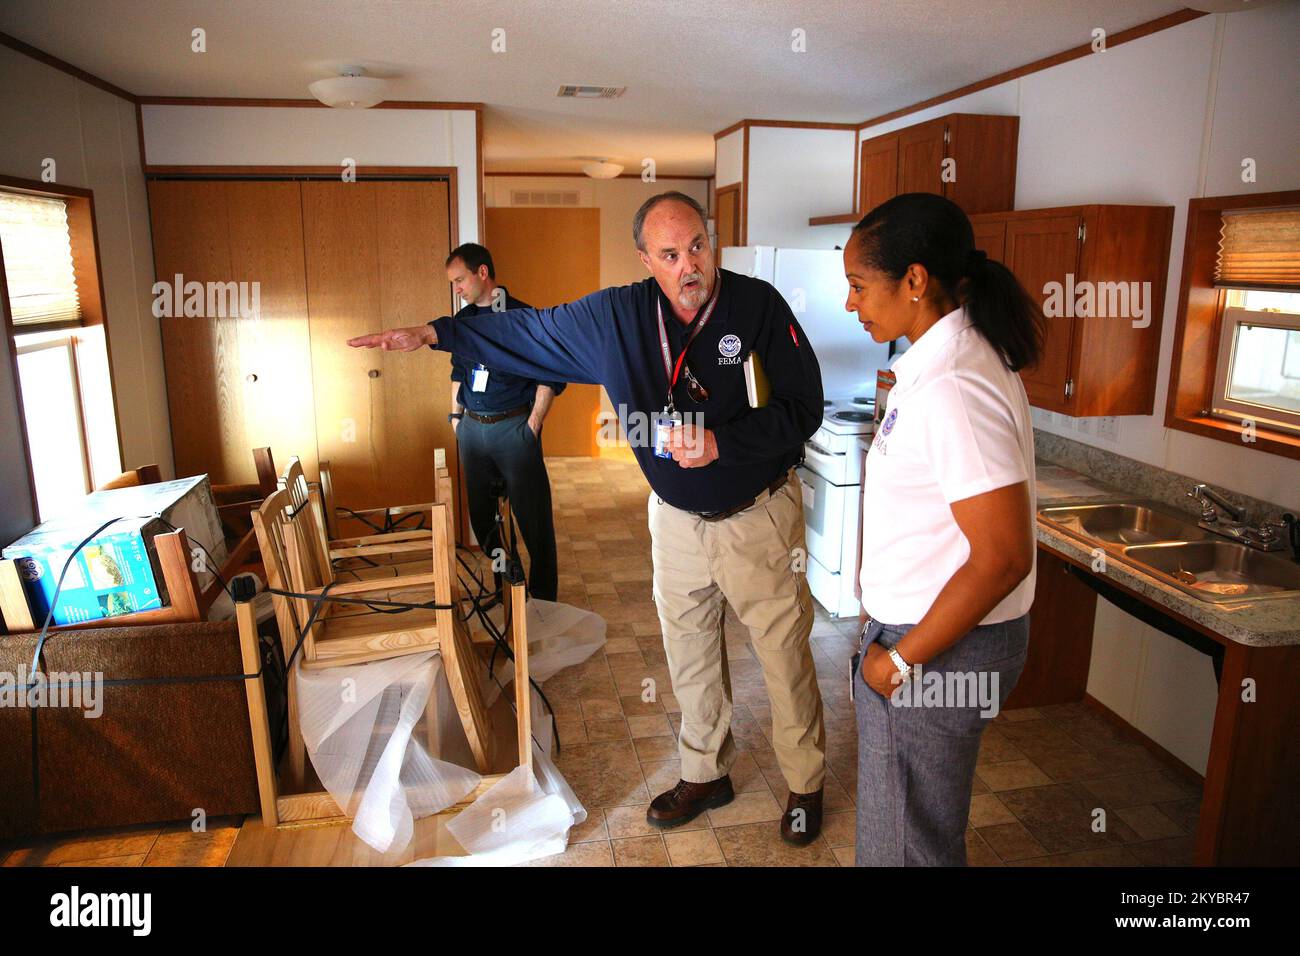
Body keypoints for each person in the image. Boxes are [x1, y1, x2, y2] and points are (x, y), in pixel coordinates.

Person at [349, 192, 830, 844]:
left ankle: (805, 783)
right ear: (645, 260)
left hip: (757, 517)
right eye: (669, 254)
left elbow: (803, 407)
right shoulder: (618, 318)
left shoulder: (757, 306)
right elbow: (529, 331)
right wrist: (439, 333)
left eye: (697, 247)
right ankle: (705, 771)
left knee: (783, 656)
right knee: (688, 654)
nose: (689, 265)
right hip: (676, 521)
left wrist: (724, 443)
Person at [844, 192, 1043, 866]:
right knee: (910, 826)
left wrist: (900, 661)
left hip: (938, 649)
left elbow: (1003, 557)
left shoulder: (955, 382)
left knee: (906, 843)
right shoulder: (939, 363)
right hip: (930, 638)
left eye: (859, 285)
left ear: (915, 280)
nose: (852, 303)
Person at [444, 243, 563, 601]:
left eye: (460, 279)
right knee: (482, 520)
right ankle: (508, 585)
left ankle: (543, 599)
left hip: (514, 430)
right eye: (453, 282)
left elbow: (551, 374)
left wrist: (534, 424)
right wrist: (455, 419)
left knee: (533, 521)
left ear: (483, 273)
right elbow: (458, 373)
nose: (457, 288)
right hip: (472, 430)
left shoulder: (523, 317)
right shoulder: (462, 323)